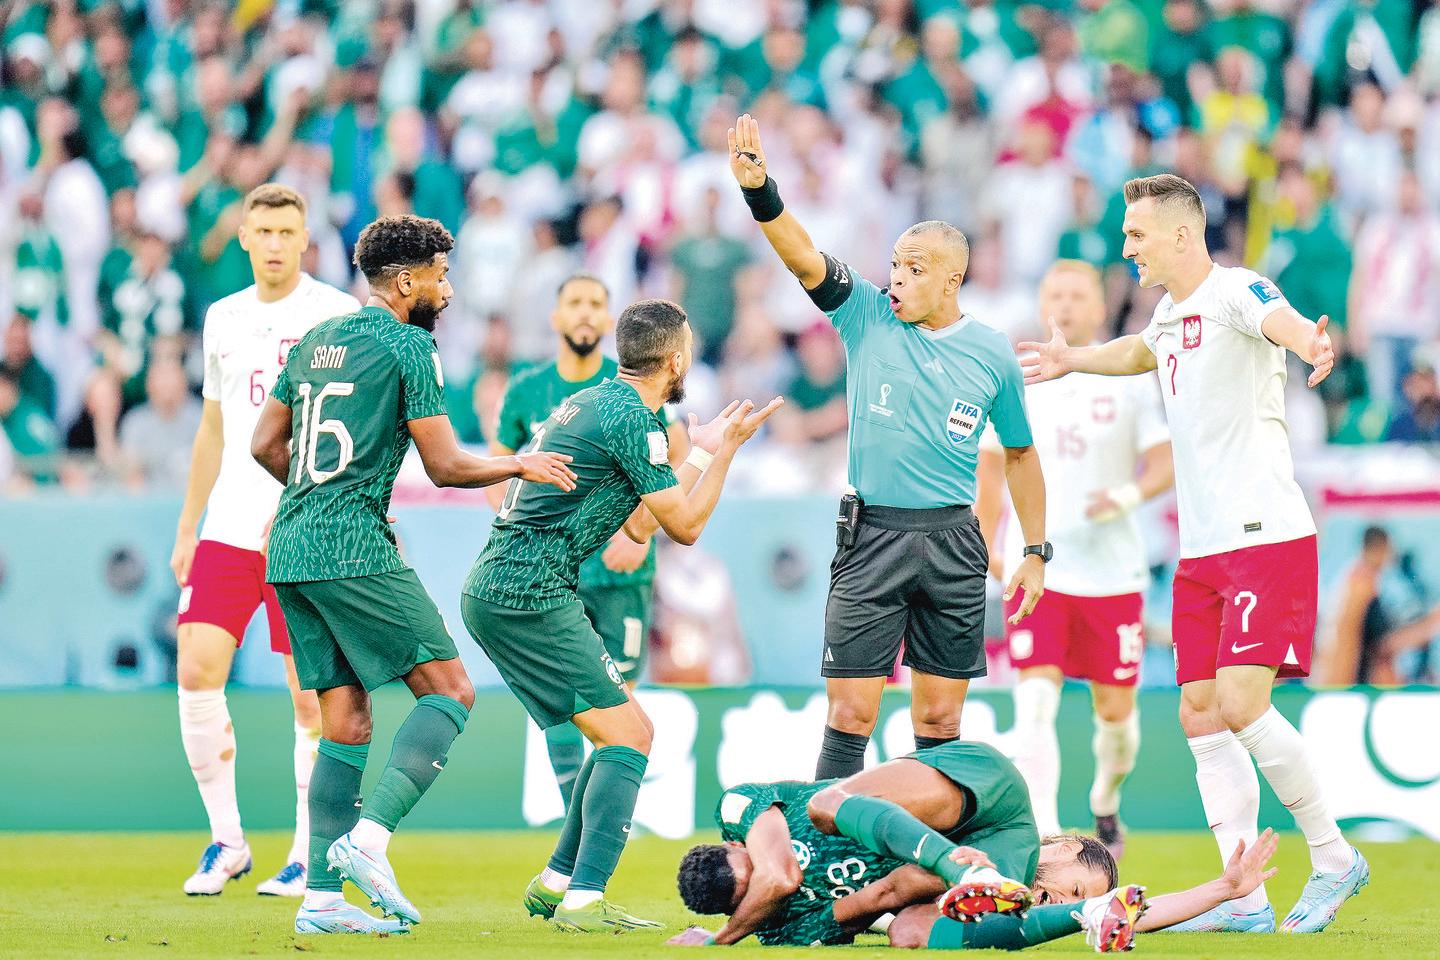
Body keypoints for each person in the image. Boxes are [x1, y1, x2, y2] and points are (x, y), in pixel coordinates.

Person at [1019, 174, 1366, 933]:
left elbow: (1279, 320)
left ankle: (1335, 856)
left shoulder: (1238, 289)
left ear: (1181, 234)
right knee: (1201, 715)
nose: (1126, 248)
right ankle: (1242, 897)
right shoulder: (1171, 314)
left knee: (1244, 705)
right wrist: (1074, 361)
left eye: (1136, 234)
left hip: (1263, 536)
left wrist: (1312, 339)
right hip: (1203, 551)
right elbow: (1137, 354)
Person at [249, 214, 577, 935]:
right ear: (404, 282)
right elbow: (447, 465)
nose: (448, 290)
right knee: (451, 690)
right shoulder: (407, 347)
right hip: (351, 548)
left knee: (346, 718)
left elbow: (264, 443)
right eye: (439, 275)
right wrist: (521, 460)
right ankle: (370, 842)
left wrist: (319, 497)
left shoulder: (315, 341)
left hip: (292, 549)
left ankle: (323, 903)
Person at [727, 113, 1049, 781]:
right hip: (871, 535)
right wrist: (763, 192)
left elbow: (1020, 453)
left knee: (938, 724)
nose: (897, 277)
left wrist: (1036, 551)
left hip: (953, 542)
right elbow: (802, 255)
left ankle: (931, 870)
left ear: (952, 279)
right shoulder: (866, 315)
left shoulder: (993, 353)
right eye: (896, 264)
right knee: (849, 715)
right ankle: (824, 856)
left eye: (915, 268)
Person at [462, 299, 781, 932]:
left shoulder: (604, 404)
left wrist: (699, 451)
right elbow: (684, 528)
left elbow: (638, 528)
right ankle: (585, 898)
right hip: (528, 590)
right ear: (677, 359)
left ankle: (557, 881)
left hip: (510, 587)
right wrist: (727, 453)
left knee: (622, 730)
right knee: (630, 737)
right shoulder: (634, 419)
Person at [170, 183, 361, 898]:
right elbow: (215, 428)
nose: (276, 243)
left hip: (305, 526)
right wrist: (188, 524)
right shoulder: (222, 318)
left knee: (309, 698)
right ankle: (226, 842)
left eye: (288, 230)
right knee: (196, 671)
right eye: (264, 231)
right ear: (244, 238)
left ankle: (306, 853)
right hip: (227, 523)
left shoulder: (337, 315)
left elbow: (368, 425)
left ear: (306, 237)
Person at [671, 741, 1279, 951]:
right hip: (972, 866)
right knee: (908, 924)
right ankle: (1083, 917)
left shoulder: (744, 806)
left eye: (1066, 891)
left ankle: (960, 871)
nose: (1047, 888)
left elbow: (778, 876)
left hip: (985, 798)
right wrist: (1224, 889)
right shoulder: (785, 932)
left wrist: (719, 942)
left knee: (827, 806)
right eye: (1063, 888)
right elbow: (881, 895)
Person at [976, 260, 1173, 856]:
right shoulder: (1011, 378)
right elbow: (989, 476)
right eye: (1054, 293)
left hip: (1112, 574)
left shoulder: (1129, 377)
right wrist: (990, 553)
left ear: (1097, 307)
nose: (1064, 305)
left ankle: (1106, 802)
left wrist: (1129, 495)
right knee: (1034, 703)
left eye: (1076, 295)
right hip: (1036, 570)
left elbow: (1163, 463)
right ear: (1042, 304)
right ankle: (1047, 837)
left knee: (1117, 722)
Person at [486, 273, 687, 810]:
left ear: (608, 321)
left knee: (618, 702)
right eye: (573, 301)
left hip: (619, 568)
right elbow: (500, 469)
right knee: (565, 700)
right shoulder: (528, 390)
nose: (584, 312)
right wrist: (515, 533)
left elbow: (669, 458)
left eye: (596, 303)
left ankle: (593, 823)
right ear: (555, 317)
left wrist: (641, 533)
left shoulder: (633, 388)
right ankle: (579, 823)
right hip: (549, 572)